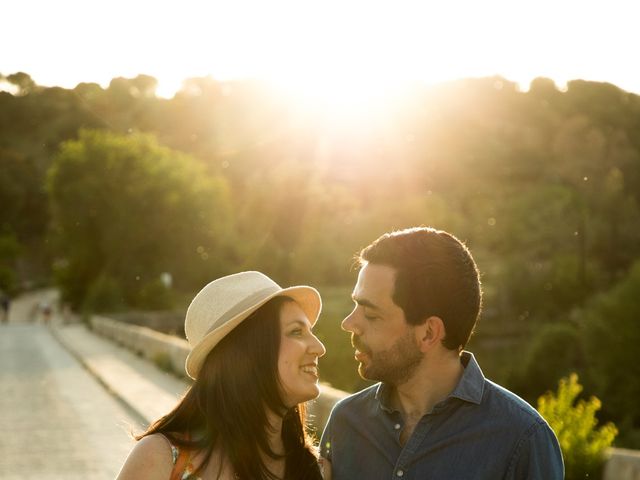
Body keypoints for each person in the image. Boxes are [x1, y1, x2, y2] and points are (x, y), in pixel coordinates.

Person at [320, 227, 564, 480]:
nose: (349, 323)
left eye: (371, 314)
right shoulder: (346, 422)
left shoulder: (522, 440)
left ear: (428, 333)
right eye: (355, 305)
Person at [117, 271, 326, 480]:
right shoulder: (159, 459)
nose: (319, 347)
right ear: (248, 351)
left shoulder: (309, 467)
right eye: (296, 332)